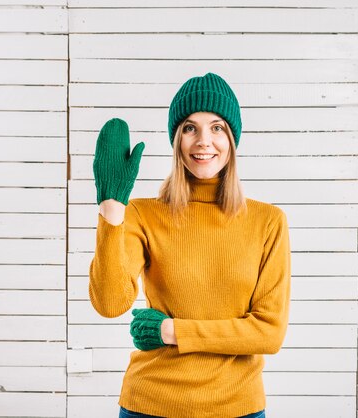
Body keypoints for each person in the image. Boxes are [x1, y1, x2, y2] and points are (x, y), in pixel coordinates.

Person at [89, 72, 291, 418]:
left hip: (237, 408)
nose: (203, 141)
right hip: (149, 405)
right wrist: (112, 211)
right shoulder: (142, 213)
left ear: (232, 139)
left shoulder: (268, 221)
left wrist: (171, 330)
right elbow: (110, 304)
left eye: (217, 128)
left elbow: (268, 333)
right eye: (189, 128)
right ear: (177, 140)